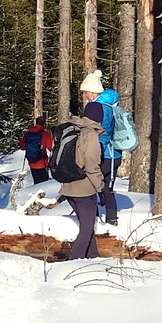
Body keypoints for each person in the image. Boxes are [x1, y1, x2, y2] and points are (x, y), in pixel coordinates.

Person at [57, 100, 106, 259]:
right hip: (83, 189)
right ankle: (73, 262)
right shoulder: (90, 134)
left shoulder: (73, 128)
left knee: (88, 226)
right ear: (99, 117)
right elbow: (91, 164)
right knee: (86, 229)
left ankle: (93, 257)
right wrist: (101, 188)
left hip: (68, 186)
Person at [77, 71, 121, 226]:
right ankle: (111, 218)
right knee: (107, 186)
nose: (84, 96)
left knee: (89, 184)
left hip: (100, 152)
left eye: (85, 92)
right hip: (114, 154)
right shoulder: (110, 105)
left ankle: (91, 218)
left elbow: (91, 132)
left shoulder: (94, 107)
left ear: (91, 92)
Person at [20, 118, 56, 184]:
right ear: (44, 124)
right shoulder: (45, 134)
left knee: (36, 182)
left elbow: (22, 147)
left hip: (31, 162)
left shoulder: (28, 134)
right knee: (44, 184)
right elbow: (51, 148)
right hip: (42, 162)